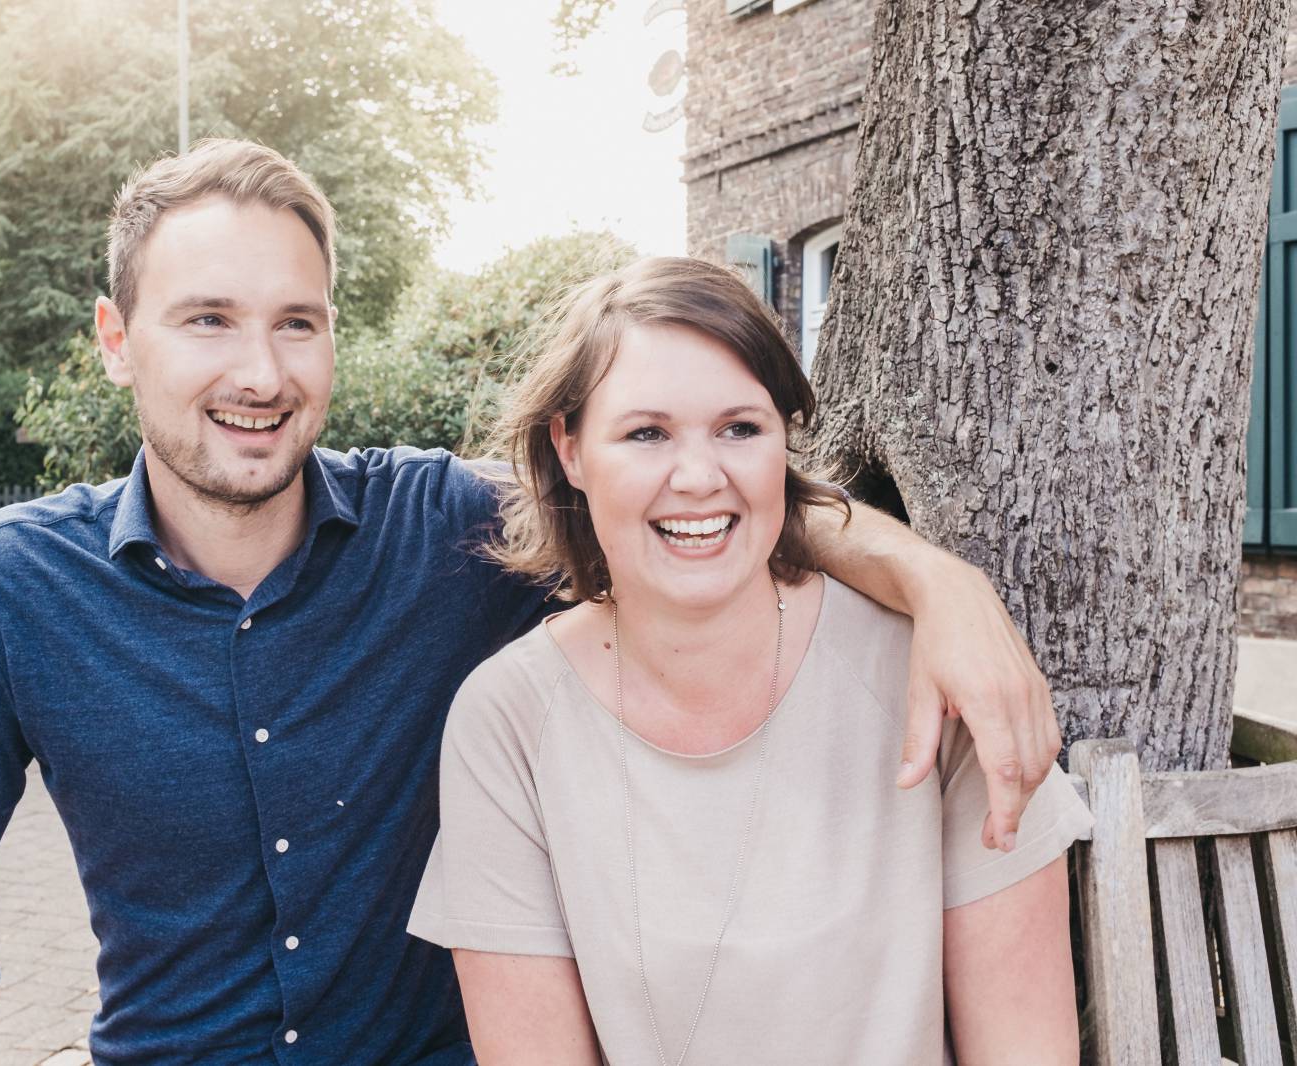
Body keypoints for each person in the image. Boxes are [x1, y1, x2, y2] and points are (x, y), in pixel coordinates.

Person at [0, 140, 1064, 1065]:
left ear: (333, 340)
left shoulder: (439, 528)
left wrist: (934, 582)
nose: (259, 372)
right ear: (117, 340)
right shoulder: (8, 591)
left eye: (296, 324)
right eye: (206, 321)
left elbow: (675, 499)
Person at [408, 257, 1092, 1064]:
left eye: (740, 428)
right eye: (645, 433)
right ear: (572, 450)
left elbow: (1025, 1049)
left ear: (784, 443)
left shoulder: (935, 672)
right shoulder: (509, 721)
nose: (699, 477)